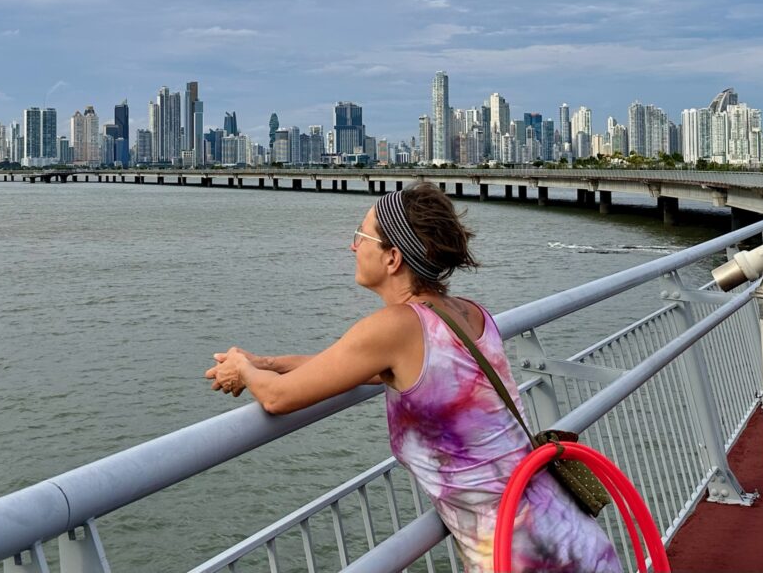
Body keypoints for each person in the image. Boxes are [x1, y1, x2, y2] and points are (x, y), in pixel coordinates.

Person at [206, 182, 621, 573]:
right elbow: (370, 370)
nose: (352, 245)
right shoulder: (469, 313)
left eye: (361, 236)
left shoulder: (393, 328)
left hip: (524, 555)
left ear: (392, 258)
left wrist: (242, 367)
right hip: (572, 535)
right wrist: (269, 362)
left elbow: (278, 399)